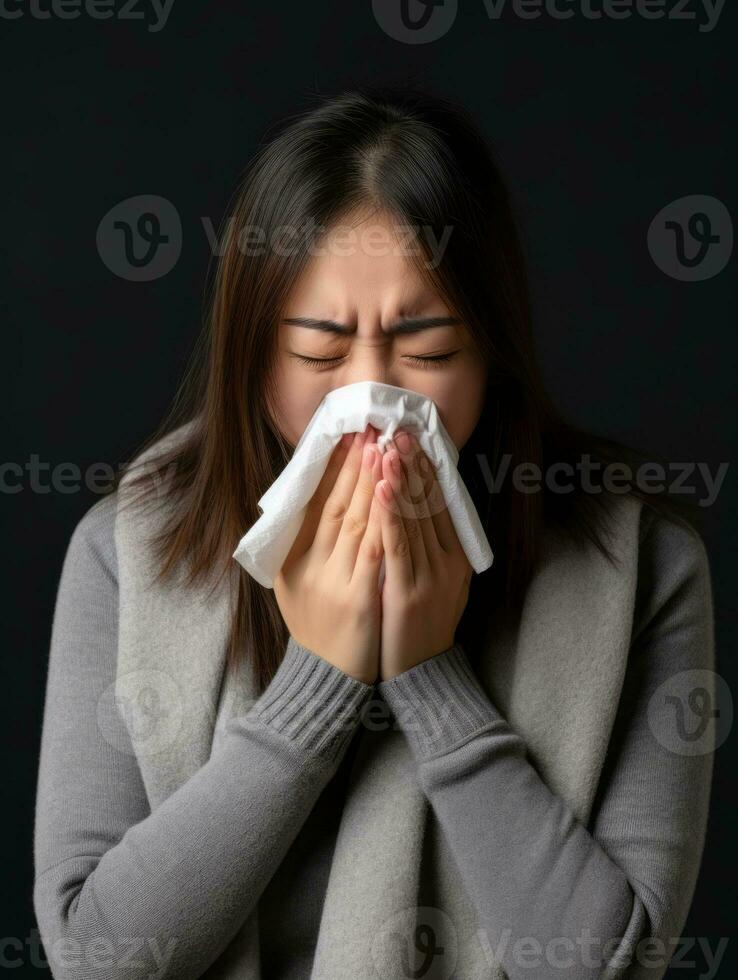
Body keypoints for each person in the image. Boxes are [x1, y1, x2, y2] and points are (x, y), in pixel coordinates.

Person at [33, 85, 715, 979]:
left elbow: (612, 966)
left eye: (427, 354)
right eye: (319, 354)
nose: (372, 410)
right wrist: (320, 677)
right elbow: (96, 959)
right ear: (254, 357)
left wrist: (428, 667)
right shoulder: (127, 551)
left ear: (491, 354)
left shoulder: (644, 566)